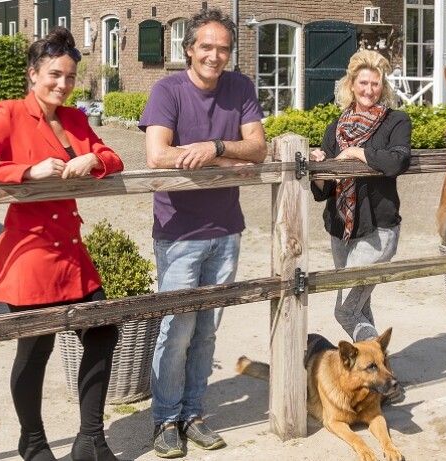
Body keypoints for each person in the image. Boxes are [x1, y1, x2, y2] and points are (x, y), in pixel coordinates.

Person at [0, 27, 125, 461]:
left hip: (71, 249)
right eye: (54, 75)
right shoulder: (9, 113)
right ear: (33, 74)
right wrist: (27, 173)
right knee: (36, 347)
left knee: (104, 331)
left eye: (69, 77)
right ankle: (32, 442)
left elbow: (114, 156)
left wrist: (95, 158)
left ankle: (90, 439)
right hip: (29, 252)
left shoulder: (75, 119)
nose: (63, 85)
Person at [138, 7, 266, 459]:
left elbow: (258, 148)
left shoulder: (240, 87)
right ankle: (164, 421)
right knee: (176, 329)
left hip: (226, 229)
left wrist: (214, 147)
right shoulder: (167, 89)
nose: (215, 56)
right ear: (189, 49)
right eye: (206, 47)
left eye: (223, 49)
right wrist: (226, 161)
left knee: (207, 330)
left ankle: (192, 414)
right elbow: (157, 155)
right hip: (179, 231)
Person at [309, 49, 412, 344]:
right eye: (363, 83)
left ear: (383, 87)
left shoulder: (396, 121)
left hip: (377, 230)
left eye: (375, 84)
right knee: (360, 306)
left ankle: (377, 370)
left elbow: (396, 162)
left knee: (345, 311)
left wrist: (356, 153)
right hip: (341, 230)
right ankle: (371, 379)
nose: (369, 90)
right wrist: (320, 166)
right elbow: (323, 192)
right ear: (351, 85)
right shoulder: (336, 127)